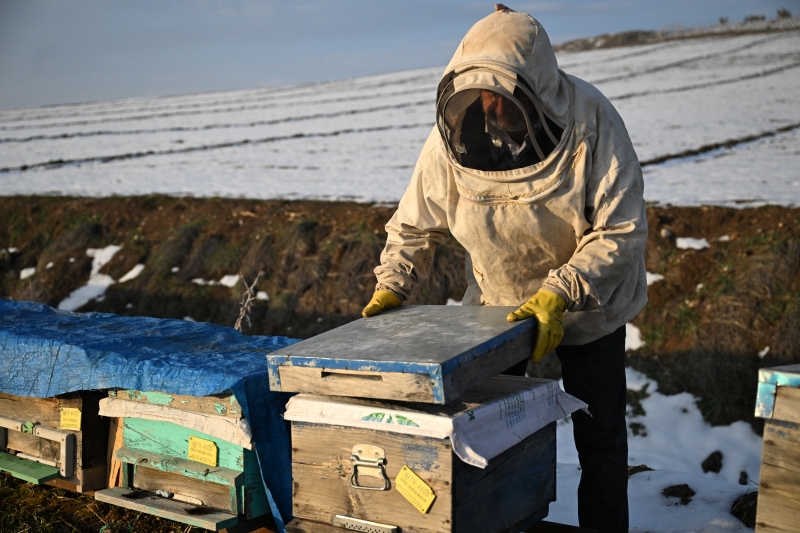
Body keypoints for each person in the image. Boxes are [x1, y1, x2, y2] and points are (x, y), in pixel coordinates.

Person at [361, 5, 646, 533]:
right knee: (488, 430)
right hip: (499, 307)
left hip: (589, 304)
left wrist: (561, 291)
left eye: (502, 96)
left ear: (537, 89)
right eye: (478, 96)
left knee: (600, 436)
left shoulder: (591, 120)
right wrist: (392, 283)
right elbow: (414, 223)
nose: (489, 107)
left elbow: (620, 229)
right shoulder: (452, 138)